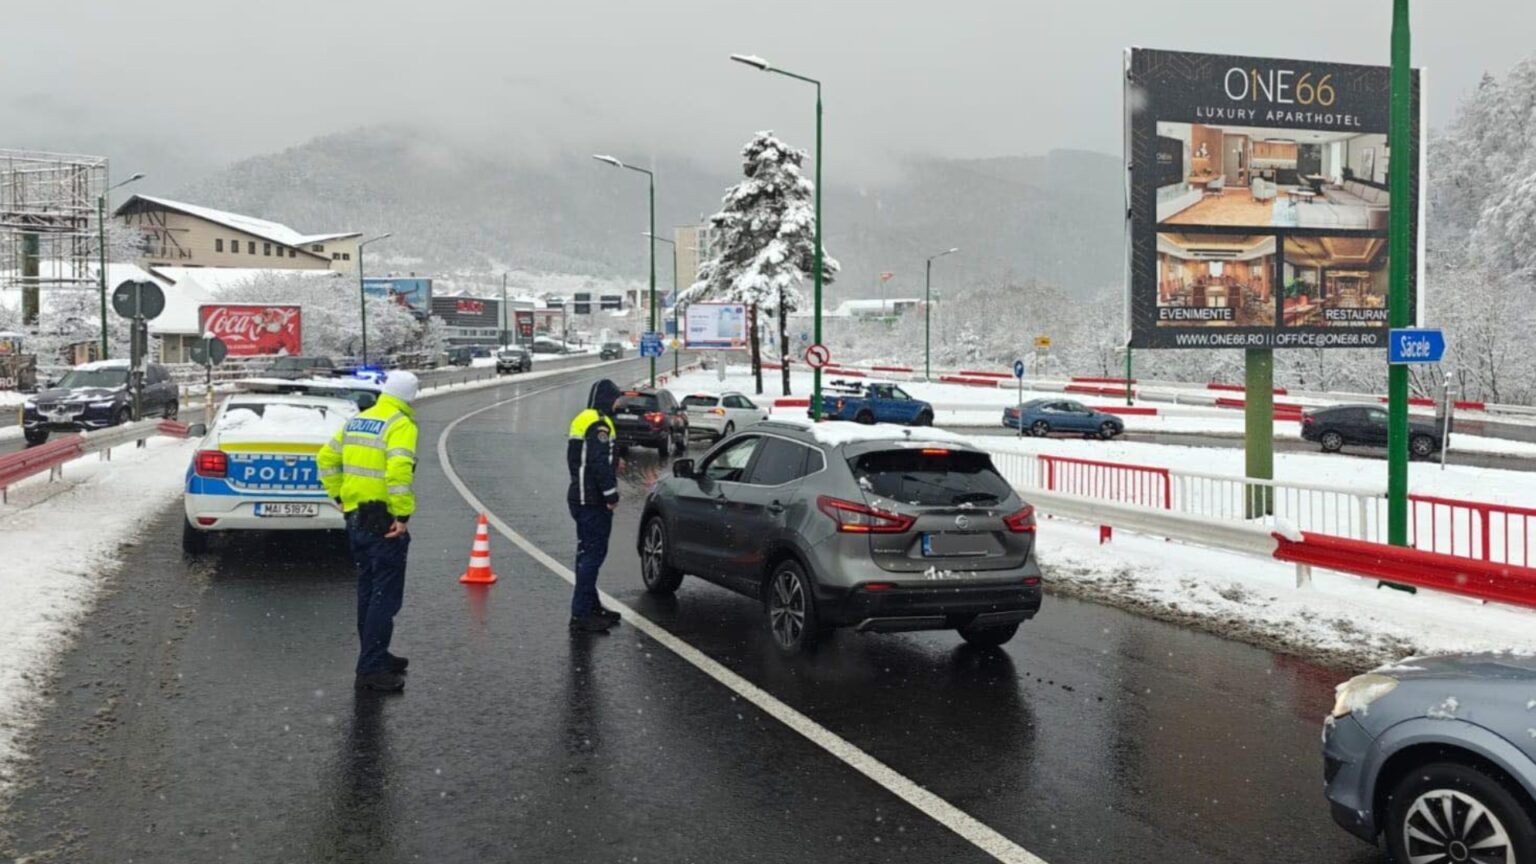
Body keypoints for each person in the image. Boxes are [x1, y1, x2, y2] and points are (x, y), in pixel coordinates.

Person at [318, 370, 420, 692]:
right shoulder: (401, 424)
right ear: (410, 396)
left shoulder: (360, 419)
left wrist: (338, 495)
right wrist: (402, 514)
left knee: (367, 591)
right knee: (384, 598)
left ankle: (374, 654)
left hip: (356, 520)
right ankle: (371, 669)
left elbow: (326, 457)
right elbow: (399, 471)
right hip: (383, 521)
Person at [567, 379, 623, 633]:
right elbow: (598, 462)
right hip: (592, 500)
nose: (617, 404)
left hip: (579, 497)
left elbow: (583, 458)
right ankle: (581, 614)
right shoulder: (599, 424)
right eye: (615, 399)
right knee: (592, 556)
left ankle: (591, 605)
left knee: (585, 554)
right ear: (606, 399)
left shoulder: (584, 418)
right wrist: (611, 496)